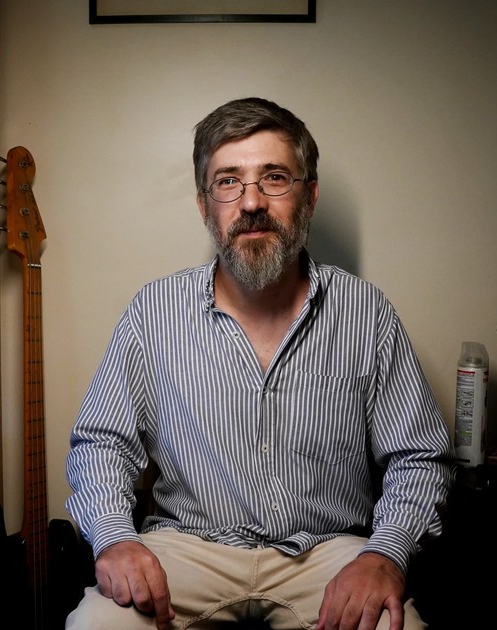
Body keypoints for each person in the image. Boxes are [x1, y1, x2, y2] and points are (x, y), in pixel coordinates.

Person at [64, 97, 455, 630]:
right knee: (95, 624)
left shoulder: (366, 313)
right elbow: (101, 443)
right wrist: (114, 539)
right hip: (188, 548)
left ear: (309, 196)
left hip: (327, 554)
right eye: (228, 181)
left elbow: (419, 457)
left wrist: (385, 554)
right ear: (204, 206)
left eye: (274, 177)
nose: (251, 202)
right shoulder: (153, 312)